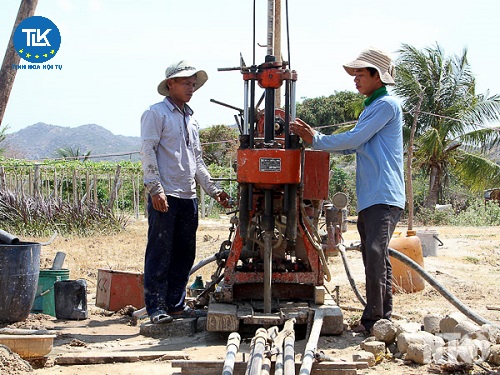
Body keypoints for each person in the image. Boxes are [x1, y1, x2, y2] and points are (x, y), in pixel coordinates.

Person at [290, 48, 405, 334]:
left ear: (377, 76)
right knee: (374, 255)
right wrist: (316, 138)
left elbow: (355, 138)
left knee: (376, 253)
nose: (355, 80)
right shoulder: (372, 107)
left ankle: (375, 320)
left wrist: (315, 138)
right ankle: (381, 317)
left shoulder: (386, 106)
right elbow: (355, 143)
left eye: (360, 74)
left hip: (383, 193)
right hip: (372, 194)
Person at [140, 60, 231, 324]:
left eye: (193, 84)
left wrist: (214, 191)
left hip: (188, 196)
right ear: (171, 84)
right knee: (160, 252)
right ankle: (156, 308)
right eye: (186, 83)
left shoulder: (191, 119)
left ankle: (176, 304)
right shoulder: (156, 114)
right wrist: (155, 188)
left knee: (184, 252)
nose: (191, 88)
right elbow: (147, 152)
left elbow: (197, 161)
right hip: (166, 193)